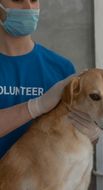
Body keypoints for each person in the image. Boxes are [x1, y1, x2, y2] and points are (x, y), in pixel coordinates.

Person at [0, 0, 77, 158]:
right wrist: (36, 106)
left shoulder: (62, 69)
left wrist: (90, 130)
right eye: (18, 0)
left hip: (43, 181)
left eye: (34, 0)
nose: (29, 8)